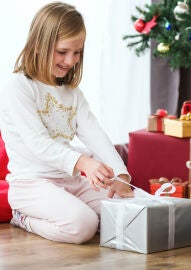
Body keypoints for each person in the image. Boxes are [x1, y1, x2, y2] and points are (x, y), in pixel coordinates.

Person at [0, 2, 133, 244]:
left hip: (70, 182)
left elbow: (96, 135)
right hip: (31, 185)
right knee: (84, 225)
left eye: (77, 52)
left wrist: (121, 175)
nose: (70, 60)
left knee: (132, 210)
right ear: (39, 45)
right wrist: (84, 162)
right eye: (62, 52)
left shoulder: (72, 92)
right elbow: (37, 143)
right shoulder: (18, 88)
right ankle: (23, 218)